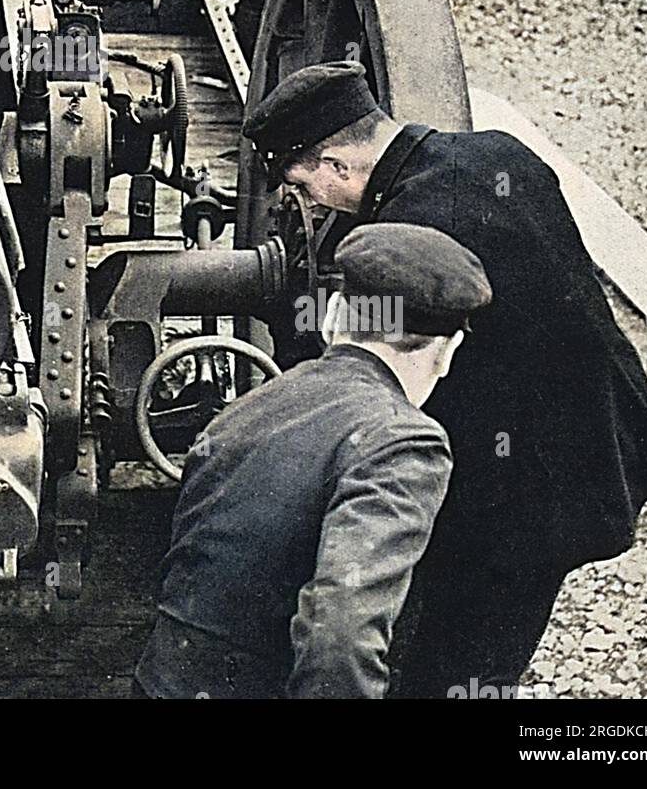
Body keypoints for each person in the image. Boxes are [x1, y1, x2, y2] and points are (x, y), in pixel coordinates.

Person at [241, 61, 647, 699]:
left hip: (522, 486)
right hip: (600, 430)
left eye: (306, 187)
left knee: (458, 666)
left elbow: (377, 367)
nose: (310, 206)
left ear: (338, 163)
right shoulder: (495, 154)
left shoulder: (410, 228)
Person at [134, 222, 490, 699]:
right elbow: (341, 630)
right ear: (447, 352)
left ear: (335, 316)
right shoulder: (403, 440)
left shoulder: (255, 403)